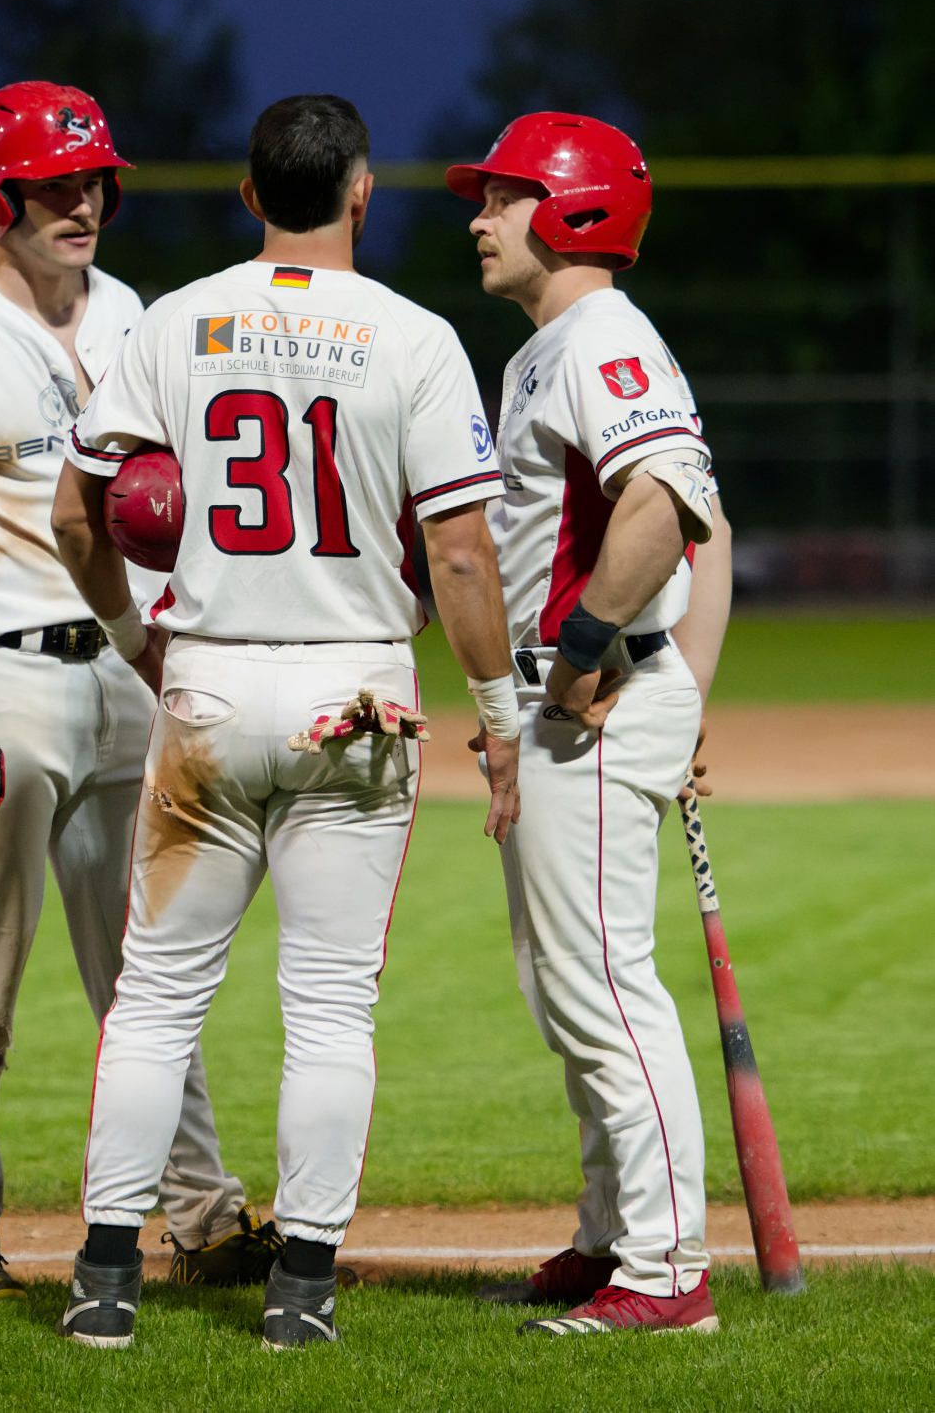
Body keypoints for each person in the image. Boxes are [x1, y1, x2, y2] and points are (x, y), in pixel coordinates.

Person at [51, 92, 521, 1351]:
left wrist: (138, 636)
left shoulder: (174, 320)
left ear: (251, 195)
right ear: (363, 193)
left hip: (207, 682)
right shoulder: (415, 335)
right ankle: (301, 1292)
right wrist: (498, 715)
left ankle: (104, 1283)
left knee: (156, 1000)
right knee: (329, 1009)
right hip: (354, 694)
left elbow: (78, 516)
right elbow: (460, 554)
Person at [0, 81, 265, 1301]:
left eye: (94, 183)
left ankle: (200, 1213)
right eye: (52, 187)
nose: (82, 204)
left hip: (128, 665)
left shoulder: (133, 314)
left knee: (150, 967)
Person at [446, 111, 733, 1336]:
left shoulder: (602, 336)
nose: (480, 218)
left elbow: (663, 507)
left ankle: (666, 1274)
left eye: (503, 196)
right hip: (577, 701)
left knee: (604, 989)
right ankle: (613, 1235)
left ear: (572, 209)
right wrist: (679, 691)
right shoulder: (554, 346)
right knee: (565, 986)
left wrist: (579, 656)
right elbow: (709, 523)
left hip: (594, 701)